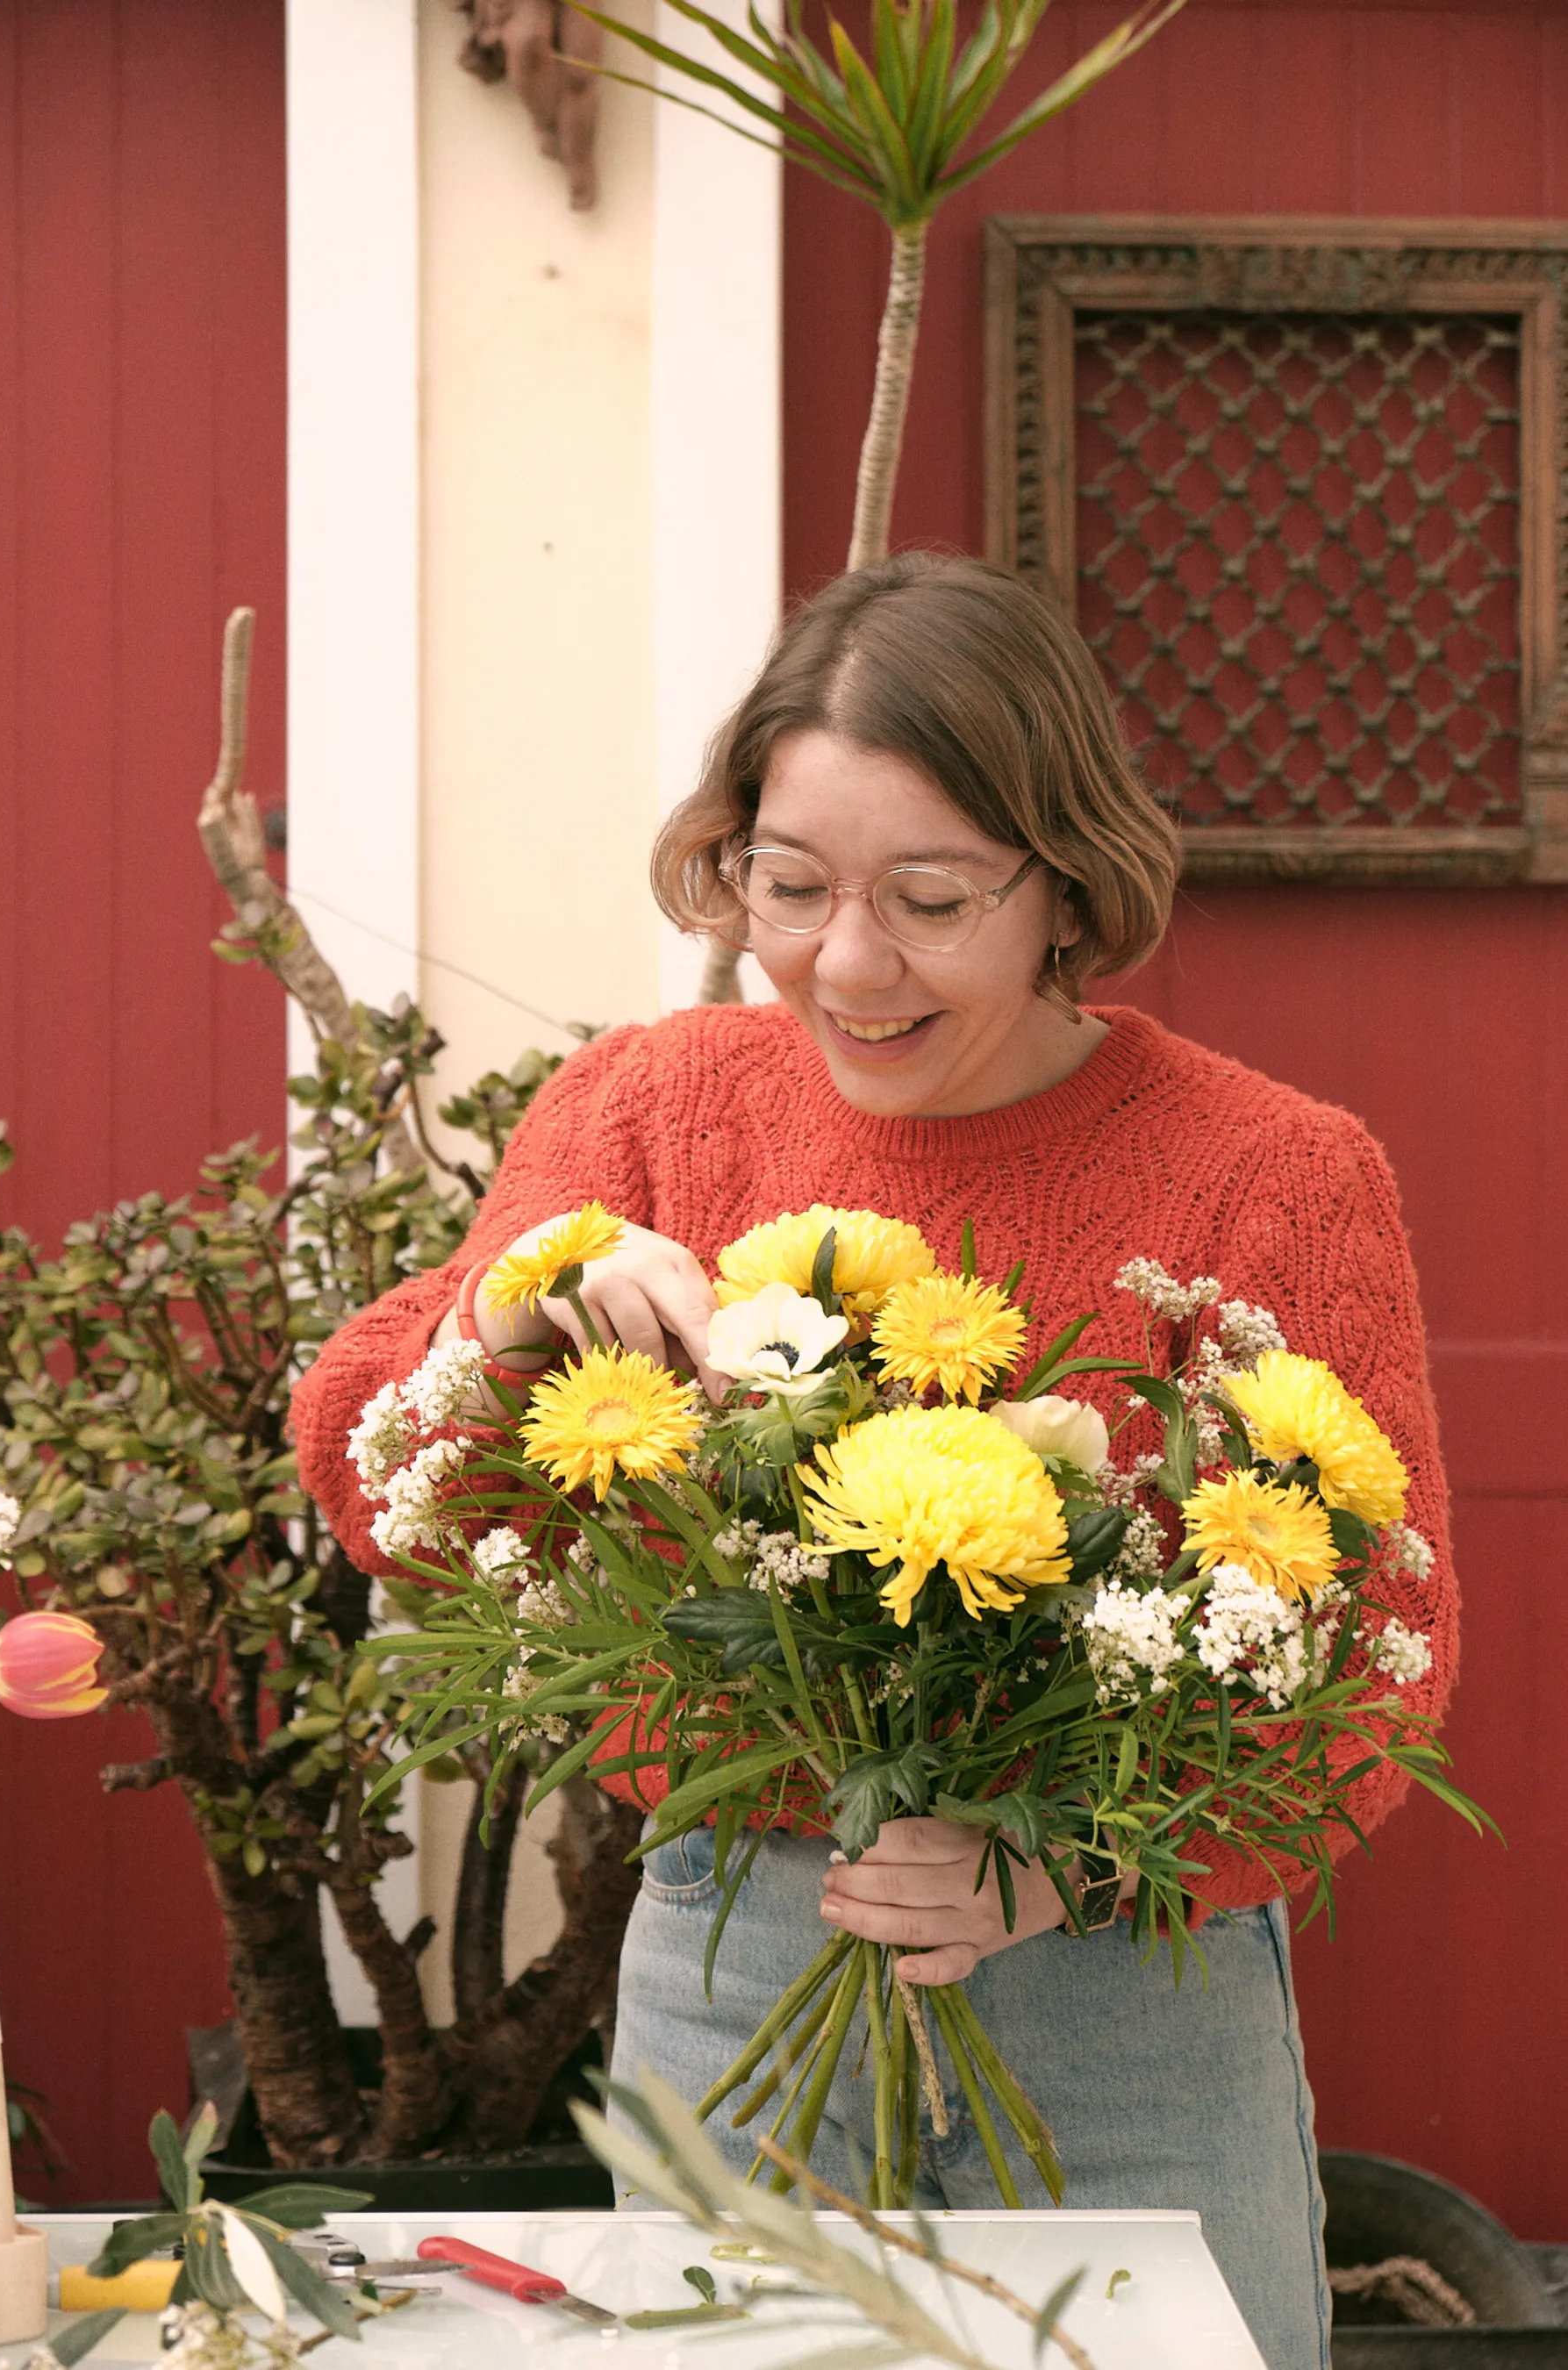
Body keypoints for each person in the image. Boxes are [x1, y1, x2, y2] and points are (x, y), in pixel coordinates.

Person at [292, 554, 1455, 2370]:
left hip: (1127, 1984)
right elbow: (380, 1489)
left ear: (1061, 878)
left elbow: (1379, 1665)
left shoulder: (1277, 1174)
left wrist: (1068, 1868)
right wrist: (507, 1327)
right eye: (789, 885)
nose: (847, 961)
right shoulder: (653, 1108)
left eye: (926, 899)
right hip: (733, 1964)